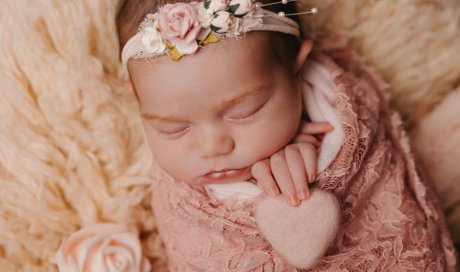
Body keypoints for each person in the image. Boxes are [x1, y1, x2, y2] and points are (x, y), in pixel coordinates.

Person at [116, 0, 458, 270]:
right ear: (137, 99)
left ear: (297, 69)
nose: (212, 146)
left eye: (244, 112)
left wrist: (317, 170)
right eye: (172, 128)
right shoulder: (182, 201)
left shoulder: (342, 117)